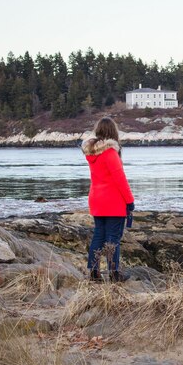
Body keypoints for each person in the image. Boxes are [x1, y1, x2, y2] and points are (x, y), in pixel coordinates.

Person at [81, 117, 134, 282]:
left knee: (98, 236)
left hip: (97, 200)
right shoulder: (110, 153)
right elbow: (120, 180)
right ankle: (114, 273)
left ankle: (94, 273)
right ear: (113, 133)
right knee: (113, 238)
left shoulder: (92, 154)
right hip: (113, 202)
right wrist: (130, 201)